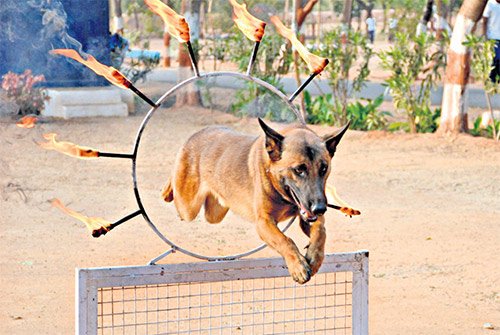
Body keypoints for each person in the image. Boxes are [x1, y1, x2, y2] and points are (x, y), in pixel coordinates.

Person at [483, 0, 500, 82]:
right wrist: (484, 35)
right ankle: (492, 78)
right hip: (492, 37)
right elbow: (485, 20)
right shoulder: (490, 4)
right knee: (496, 58)